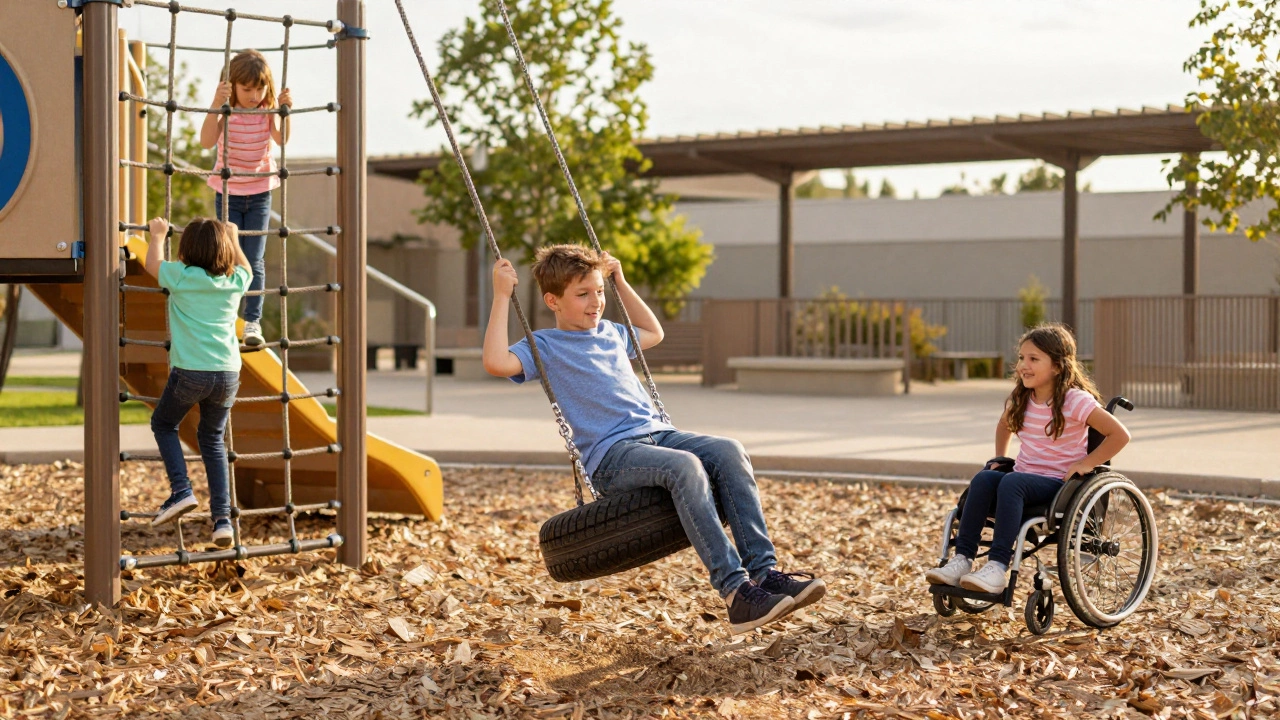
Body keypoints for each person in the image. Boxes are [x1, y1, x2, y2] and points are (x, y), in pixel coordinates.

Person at [483, 244, 826, 635]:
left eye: (599, 292)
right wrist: (500, 297)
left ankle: (764, 574)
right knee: (686, 467)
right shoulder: (544, 346)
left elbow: (654, 332)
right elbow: (495, 362)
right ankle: (735, 593)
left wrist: (621, 282)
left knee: (730, 451)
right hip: (613, 456)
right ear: (553, 301)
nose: (596, 302)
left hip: (660, 434)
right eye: (583, 294)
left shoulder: (611, 332)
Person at [925, 323, 1131, 593]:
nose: (1024, 365)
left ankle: (997, 567)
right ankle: (962, 560)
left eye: (1034, 359)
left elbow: (1120, 434)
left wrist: (1086, 463)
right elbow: (1004, 425)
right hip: (1022, 481)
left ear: (1057, 366)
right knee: (985, 478)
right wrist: (1001, 455)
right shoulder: (1022, 398)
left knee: (1012, 482)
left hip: (1058, 484)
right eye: (1022, 358)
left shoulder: (1075, 401)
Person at [144, 216, 252, 548]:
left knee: (163, 424)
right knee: (213, 440)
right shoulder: (234, 280)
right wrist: (234, 238)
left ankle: (181, 490)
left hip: (191, 372)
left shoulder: (182, 276)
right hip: (228, 374)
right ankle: (222, 521)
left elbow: (153, 264)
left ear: (187, 249)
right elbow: (249, 269)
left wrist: (158, 235)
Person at [199, 49, 292, 348]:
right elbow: (205, 141)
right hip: (228, 193)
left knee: (254, 259)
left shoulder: (266, 109)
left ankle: (252, 322)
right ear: (232, 86)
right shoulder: (226, 110)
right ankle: (226, 319)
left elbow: (282, 139)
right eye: (247, 89)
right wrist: (215, 104)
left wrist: (284, 111)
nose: (254, 95)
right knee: (226, 259)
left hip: (260, 193)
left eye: (260, 88)